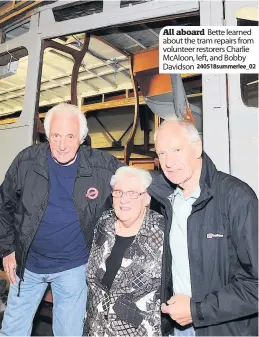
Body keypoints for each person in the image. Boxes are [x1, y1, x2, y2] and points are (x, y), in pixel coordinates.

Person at [0, 103, 122, 336]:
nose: (62, 145)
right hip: (28, 265)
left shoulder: (101, 166)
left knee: (69, 333)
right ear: (47, 135)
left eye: (70, 136)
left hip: (72, 268)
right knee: (11, 331)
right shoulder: (27, 162)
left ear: (82, 138)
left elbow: (137, 181)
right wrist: (6, 249)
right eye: (56, 136)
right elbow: (3, 204)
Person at [148, 120, 258, 336]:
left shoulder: (236, 197)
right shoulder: (167, 201)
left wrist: (196, 310)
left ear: (197, 147)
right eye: (162, 154)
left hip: (224, 329)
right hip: (179, 326)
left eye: (177, 150)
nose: (169, 162)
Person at [84, 166, 165, 336]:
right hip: (96, 328)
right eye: (118, 192)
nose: (123, 200)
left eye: (132, 193)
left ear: (147, 198)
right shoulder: (104, 224)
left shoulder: (162, 230)